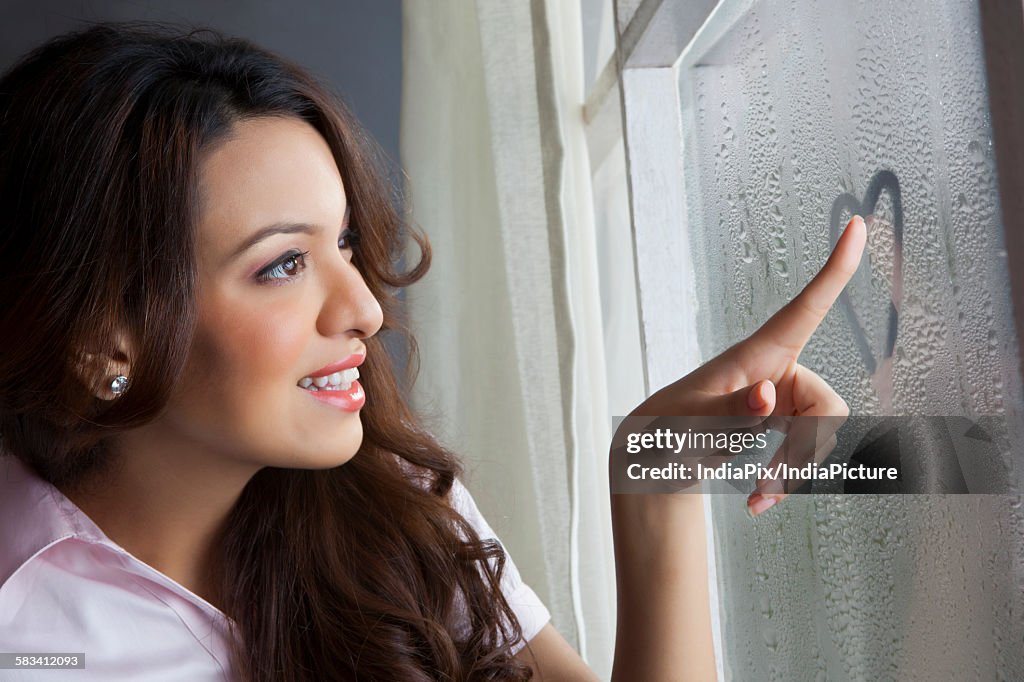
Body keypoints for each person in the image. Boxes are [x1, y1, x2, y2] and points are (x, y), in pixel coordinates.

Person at [0, 22, 865, 681]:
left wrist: (655, 474)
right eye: (284, 264)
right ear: (95, 339)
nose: (366, 308)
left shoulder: (393, 510)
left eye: (344, 244)